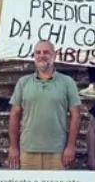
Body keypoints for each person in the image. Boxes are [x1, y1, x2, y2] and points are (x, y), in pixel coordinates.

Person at [7, 40, 82, 170]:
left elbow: (76, 115)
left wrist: (71, 146)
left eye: (46, 52)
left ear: (54, 55)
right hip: (28, 150)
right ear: (34, 56)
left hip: (58, 151)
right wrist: (13, 147)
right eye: (38, 52)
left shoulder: (67, 82)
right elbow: (14, 115)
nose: (42, 55)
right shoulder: (23, 82)